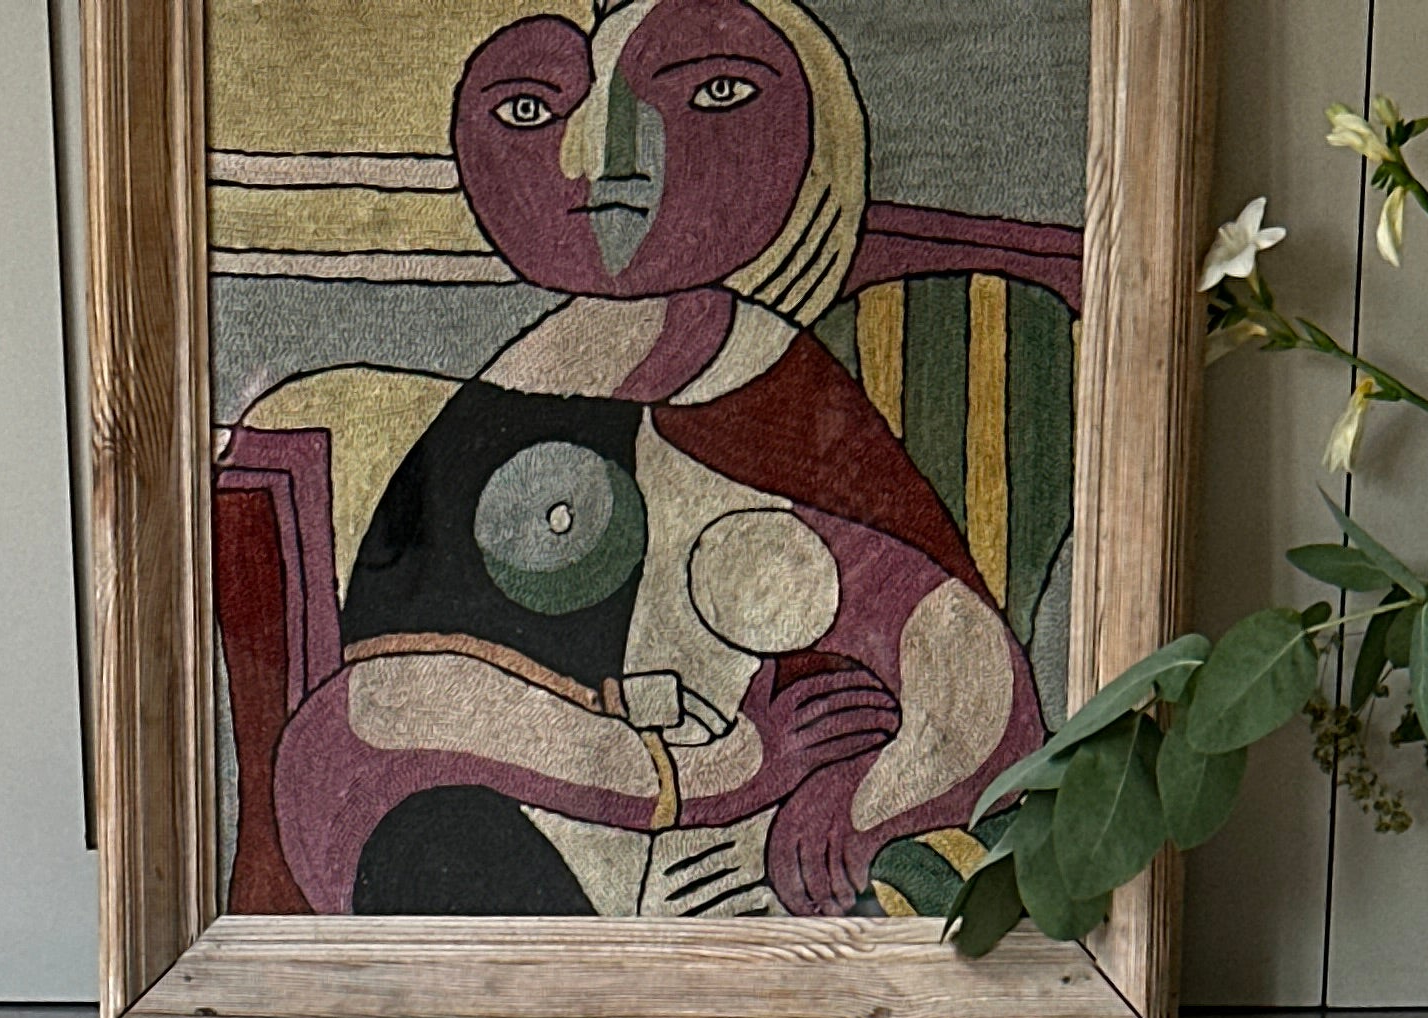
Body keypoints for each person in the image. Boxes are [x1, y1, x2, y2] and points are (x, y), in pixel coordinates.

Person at [248, 0, 1042, 920]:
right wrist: (715, 772)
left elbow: (969, 677)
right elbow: (376, 717)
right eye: (530, 111)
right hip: (498, 853)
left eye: (712, 94)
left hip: (713, 889)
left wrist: (859, 808)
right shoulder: (505, 403)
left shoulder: (775, 394)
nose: (603, 161)